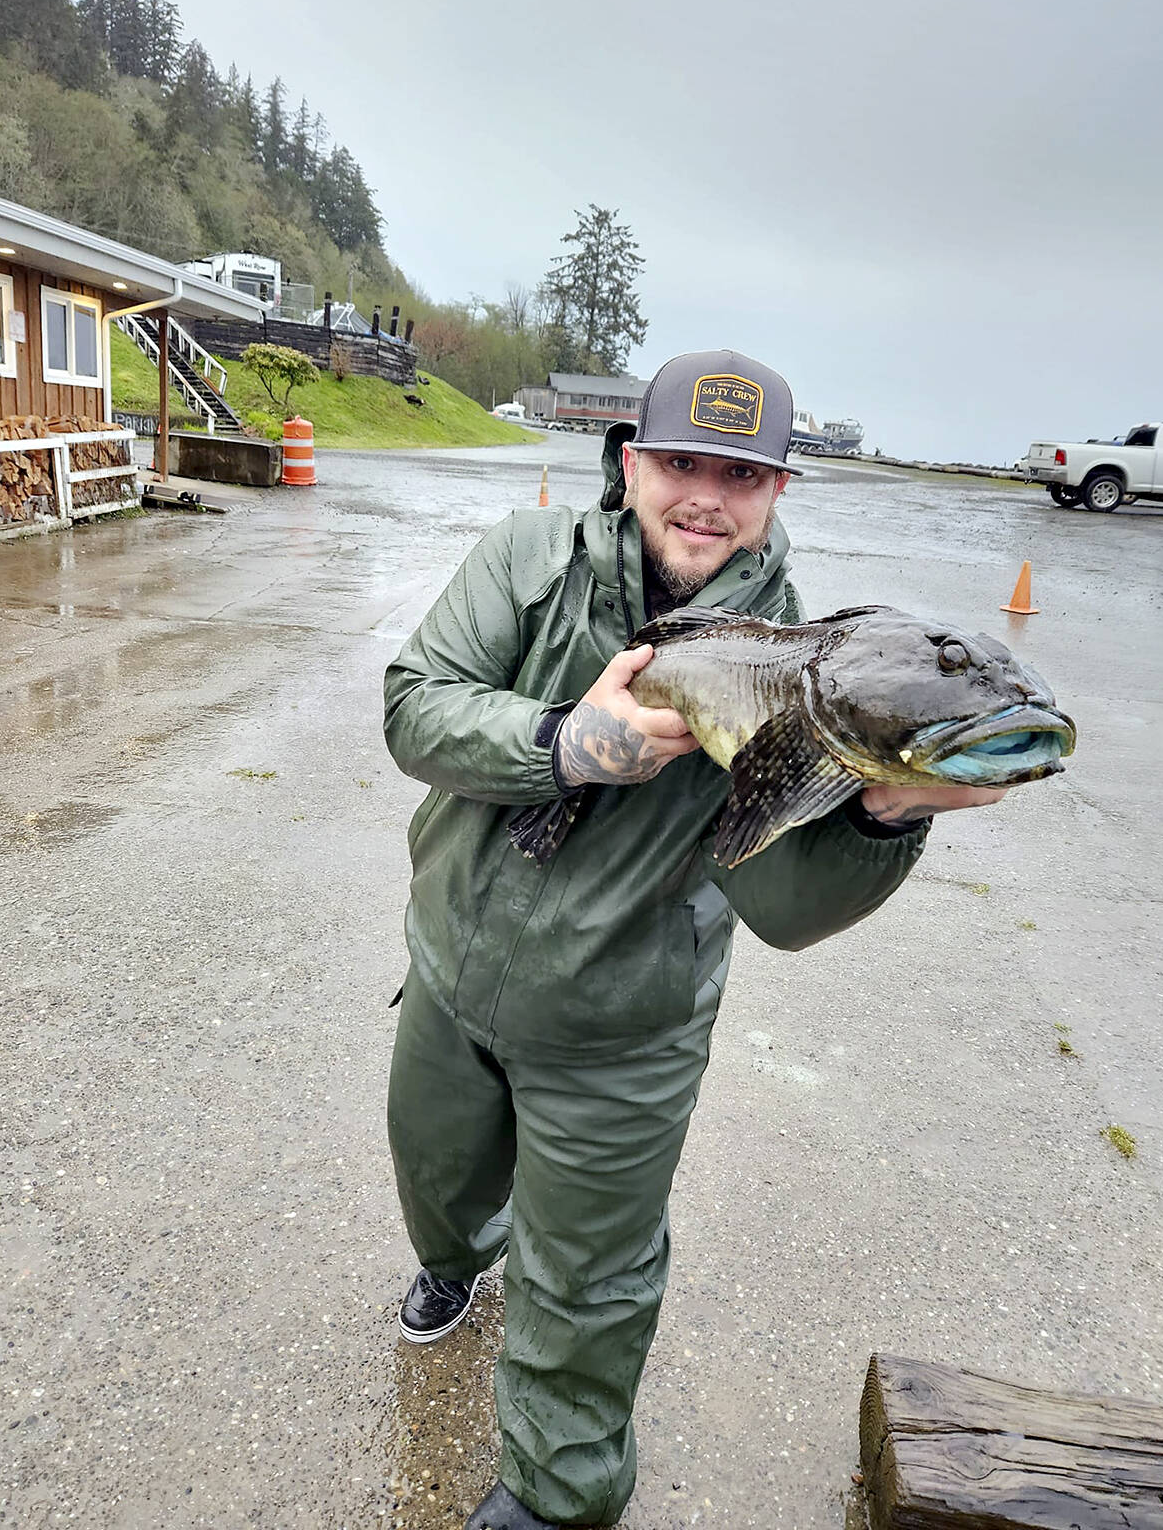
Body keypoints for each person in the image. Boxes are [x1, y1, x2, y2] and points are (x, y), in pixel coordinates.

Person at [382, 350, 1006, 1530]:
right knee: (437, 1169)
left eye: (743, 474)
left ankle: (563, 1495)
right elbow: (417, 704)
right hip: (452, 967)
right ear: (630, 465)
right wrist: (564, 741)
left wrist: (884, 815)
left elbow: (784, 908)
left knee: (590, 1281)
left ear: (779, 494)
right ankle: (459, 1256)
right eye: (680, 463)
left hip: (624, 1030)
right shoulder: (528, 563)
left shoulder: (804, 666)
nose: (705, 498)